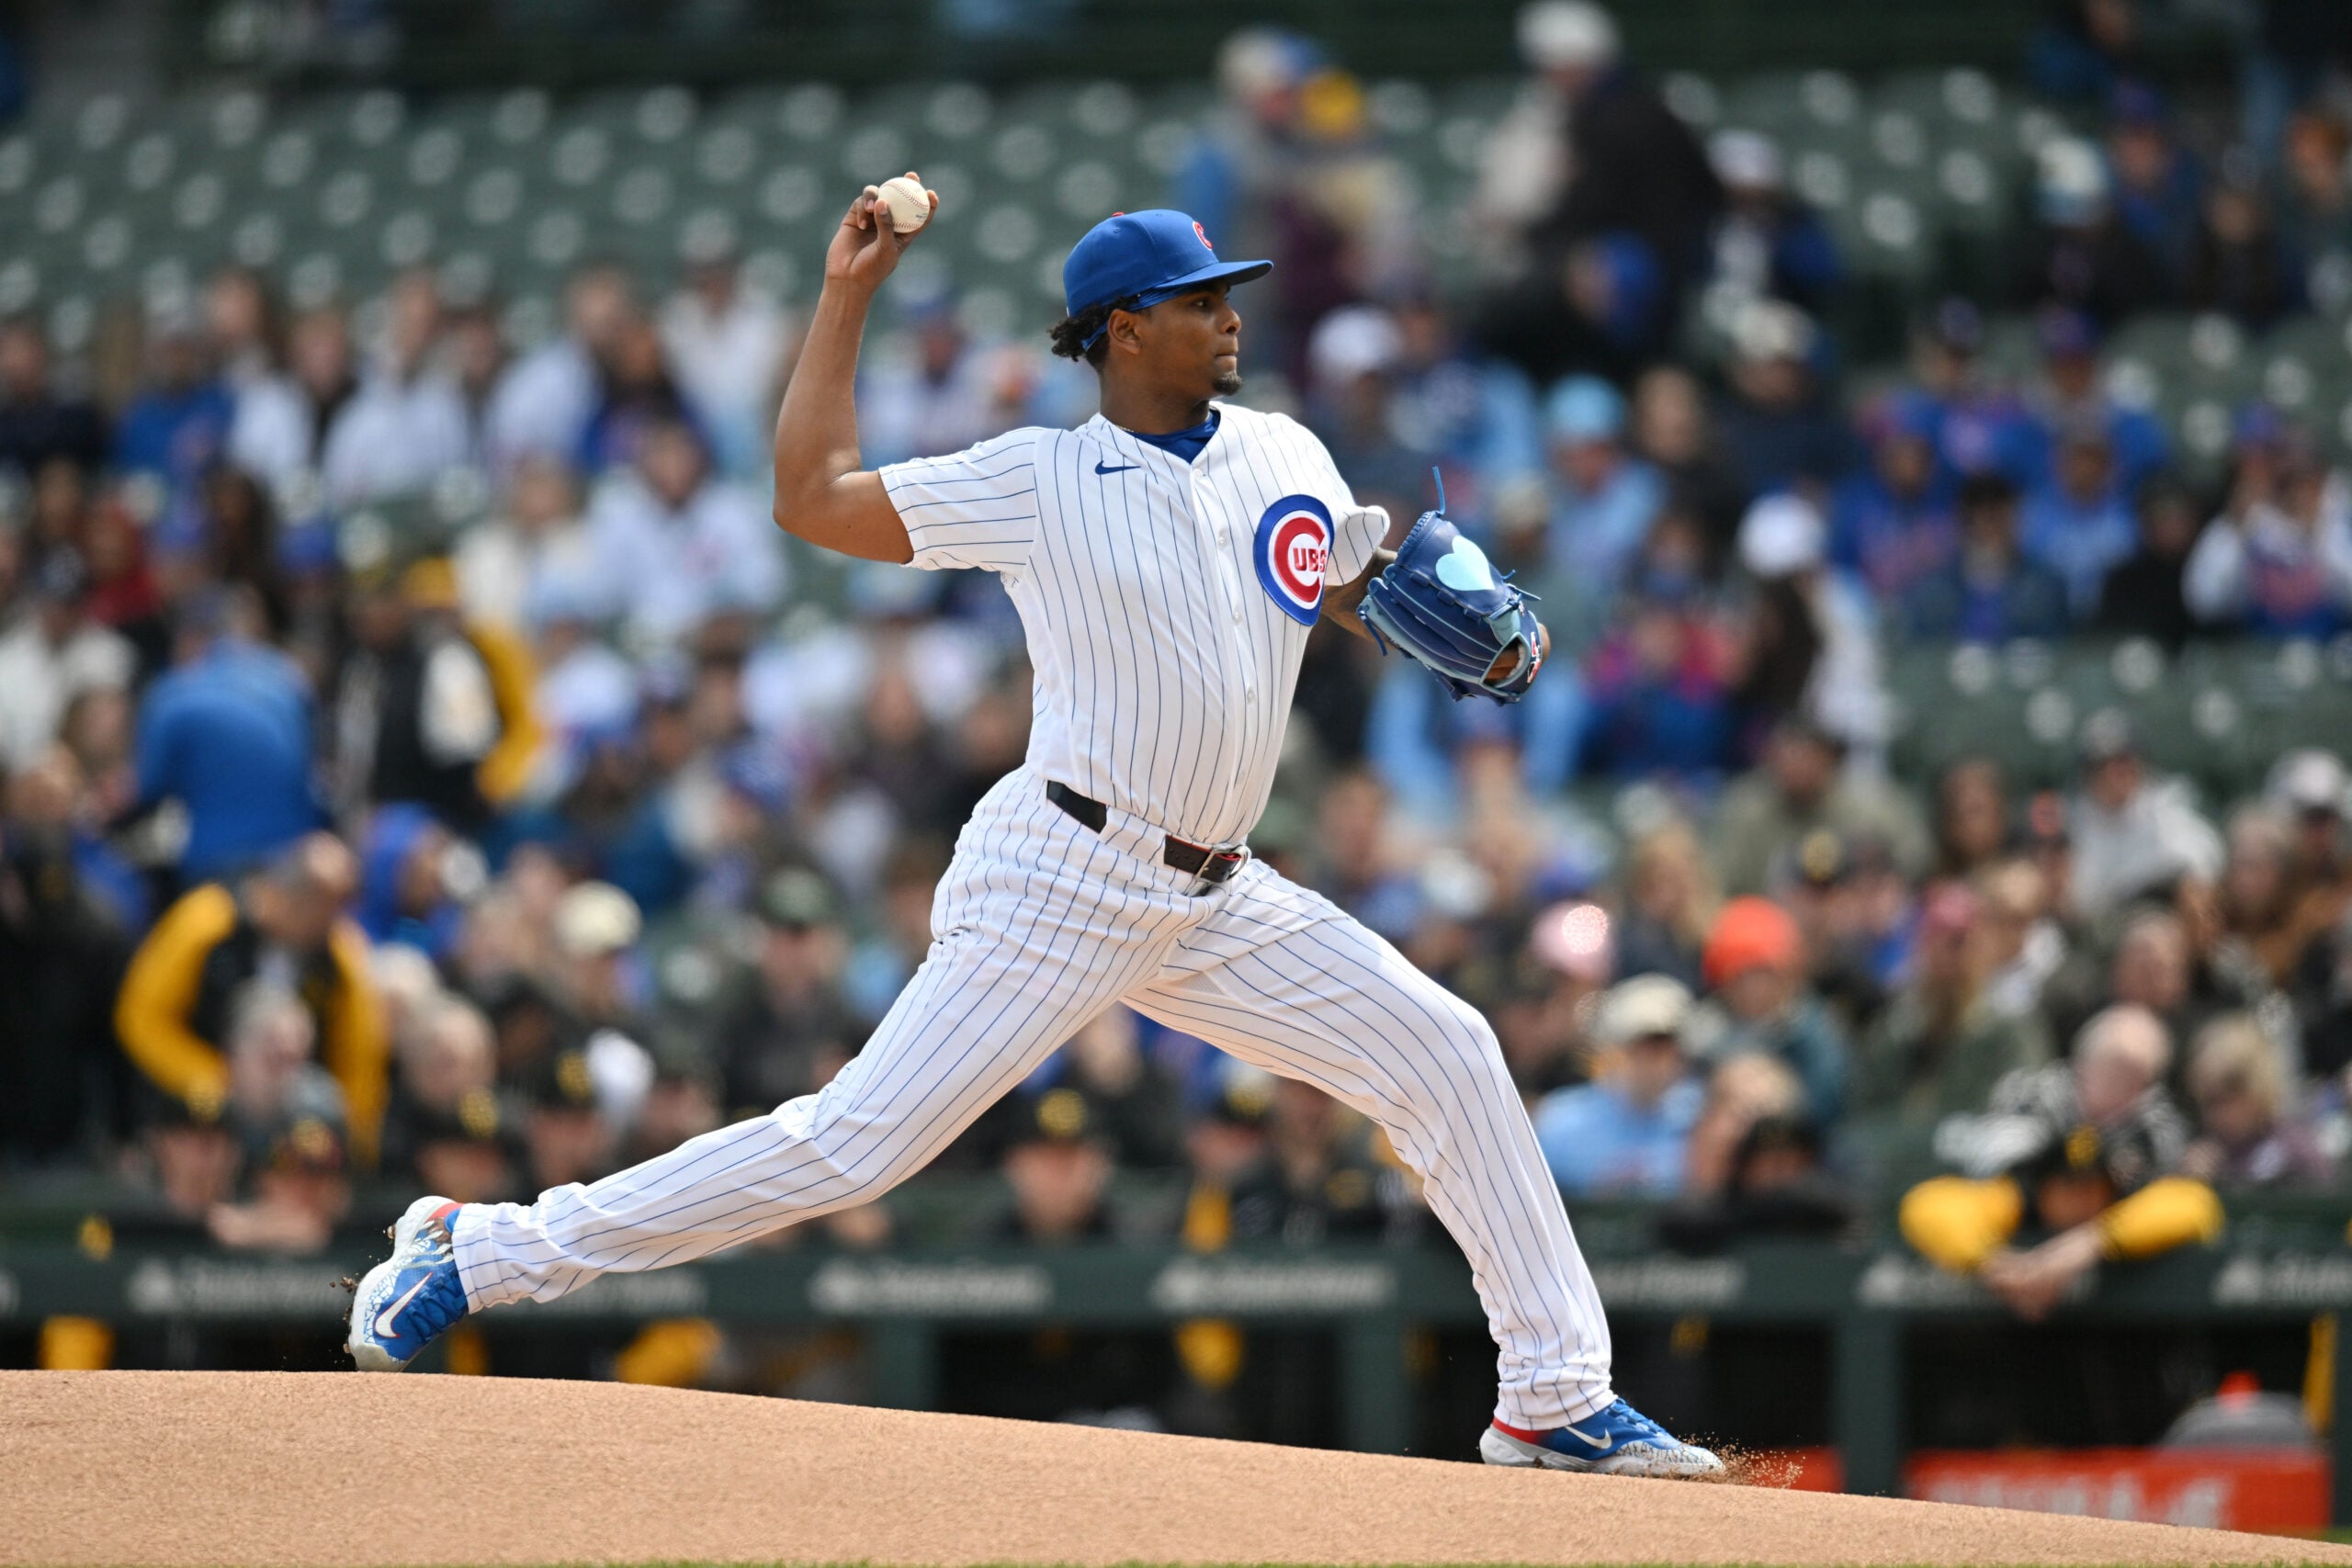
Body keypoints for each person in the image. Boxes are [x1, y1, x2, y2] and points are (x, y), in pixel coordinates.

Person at [348, 186, 1722, 1478]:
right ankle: (481, 1250)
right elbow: (810, 495)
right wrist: (846, 296)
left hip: (1218, 891)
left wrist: (1422, 610)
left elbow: (1325, 576)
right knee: (854, 1145)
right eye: (1199, 300)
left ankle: (1551, 1395)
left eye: (1229, 294)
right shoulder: (1039, 478)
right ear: (1125, 331)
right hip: (1062, 870)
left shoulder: (1284, 449)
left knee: (1449, 1047)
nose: (1232, 315)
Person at [1901, 1005, 2220, 1320]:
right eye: (2116, 1068)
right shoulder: (2029, 1114)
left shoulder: (2153, 1131)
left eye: (2141, 1076)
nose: (2080, 1195)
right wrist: (1997, 1267)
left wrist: (2087, 1245)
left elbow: (2193, 1204)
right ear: (2083, 1062)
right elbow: (1928, 1204)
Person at [115, 832, 388, 1166]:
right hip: (199, 1099)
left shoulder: (339, 953)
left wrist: (356, 1143)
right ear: (283, 892)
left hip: (295, 1117)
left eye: (339, 907)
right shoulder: (206, 921)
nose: (330, 920)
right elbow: (141, 1018)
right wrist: (216, 1081)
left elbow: (359, 1059)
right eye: (318, 902)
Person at [1532, 975, 1701, 1197]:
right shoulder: (1559, 1122)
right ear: (1614, 1050)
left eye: (1670, 1050)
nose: (1660, 1065)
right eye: (1646, 1049)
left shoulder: (1700, 1118)